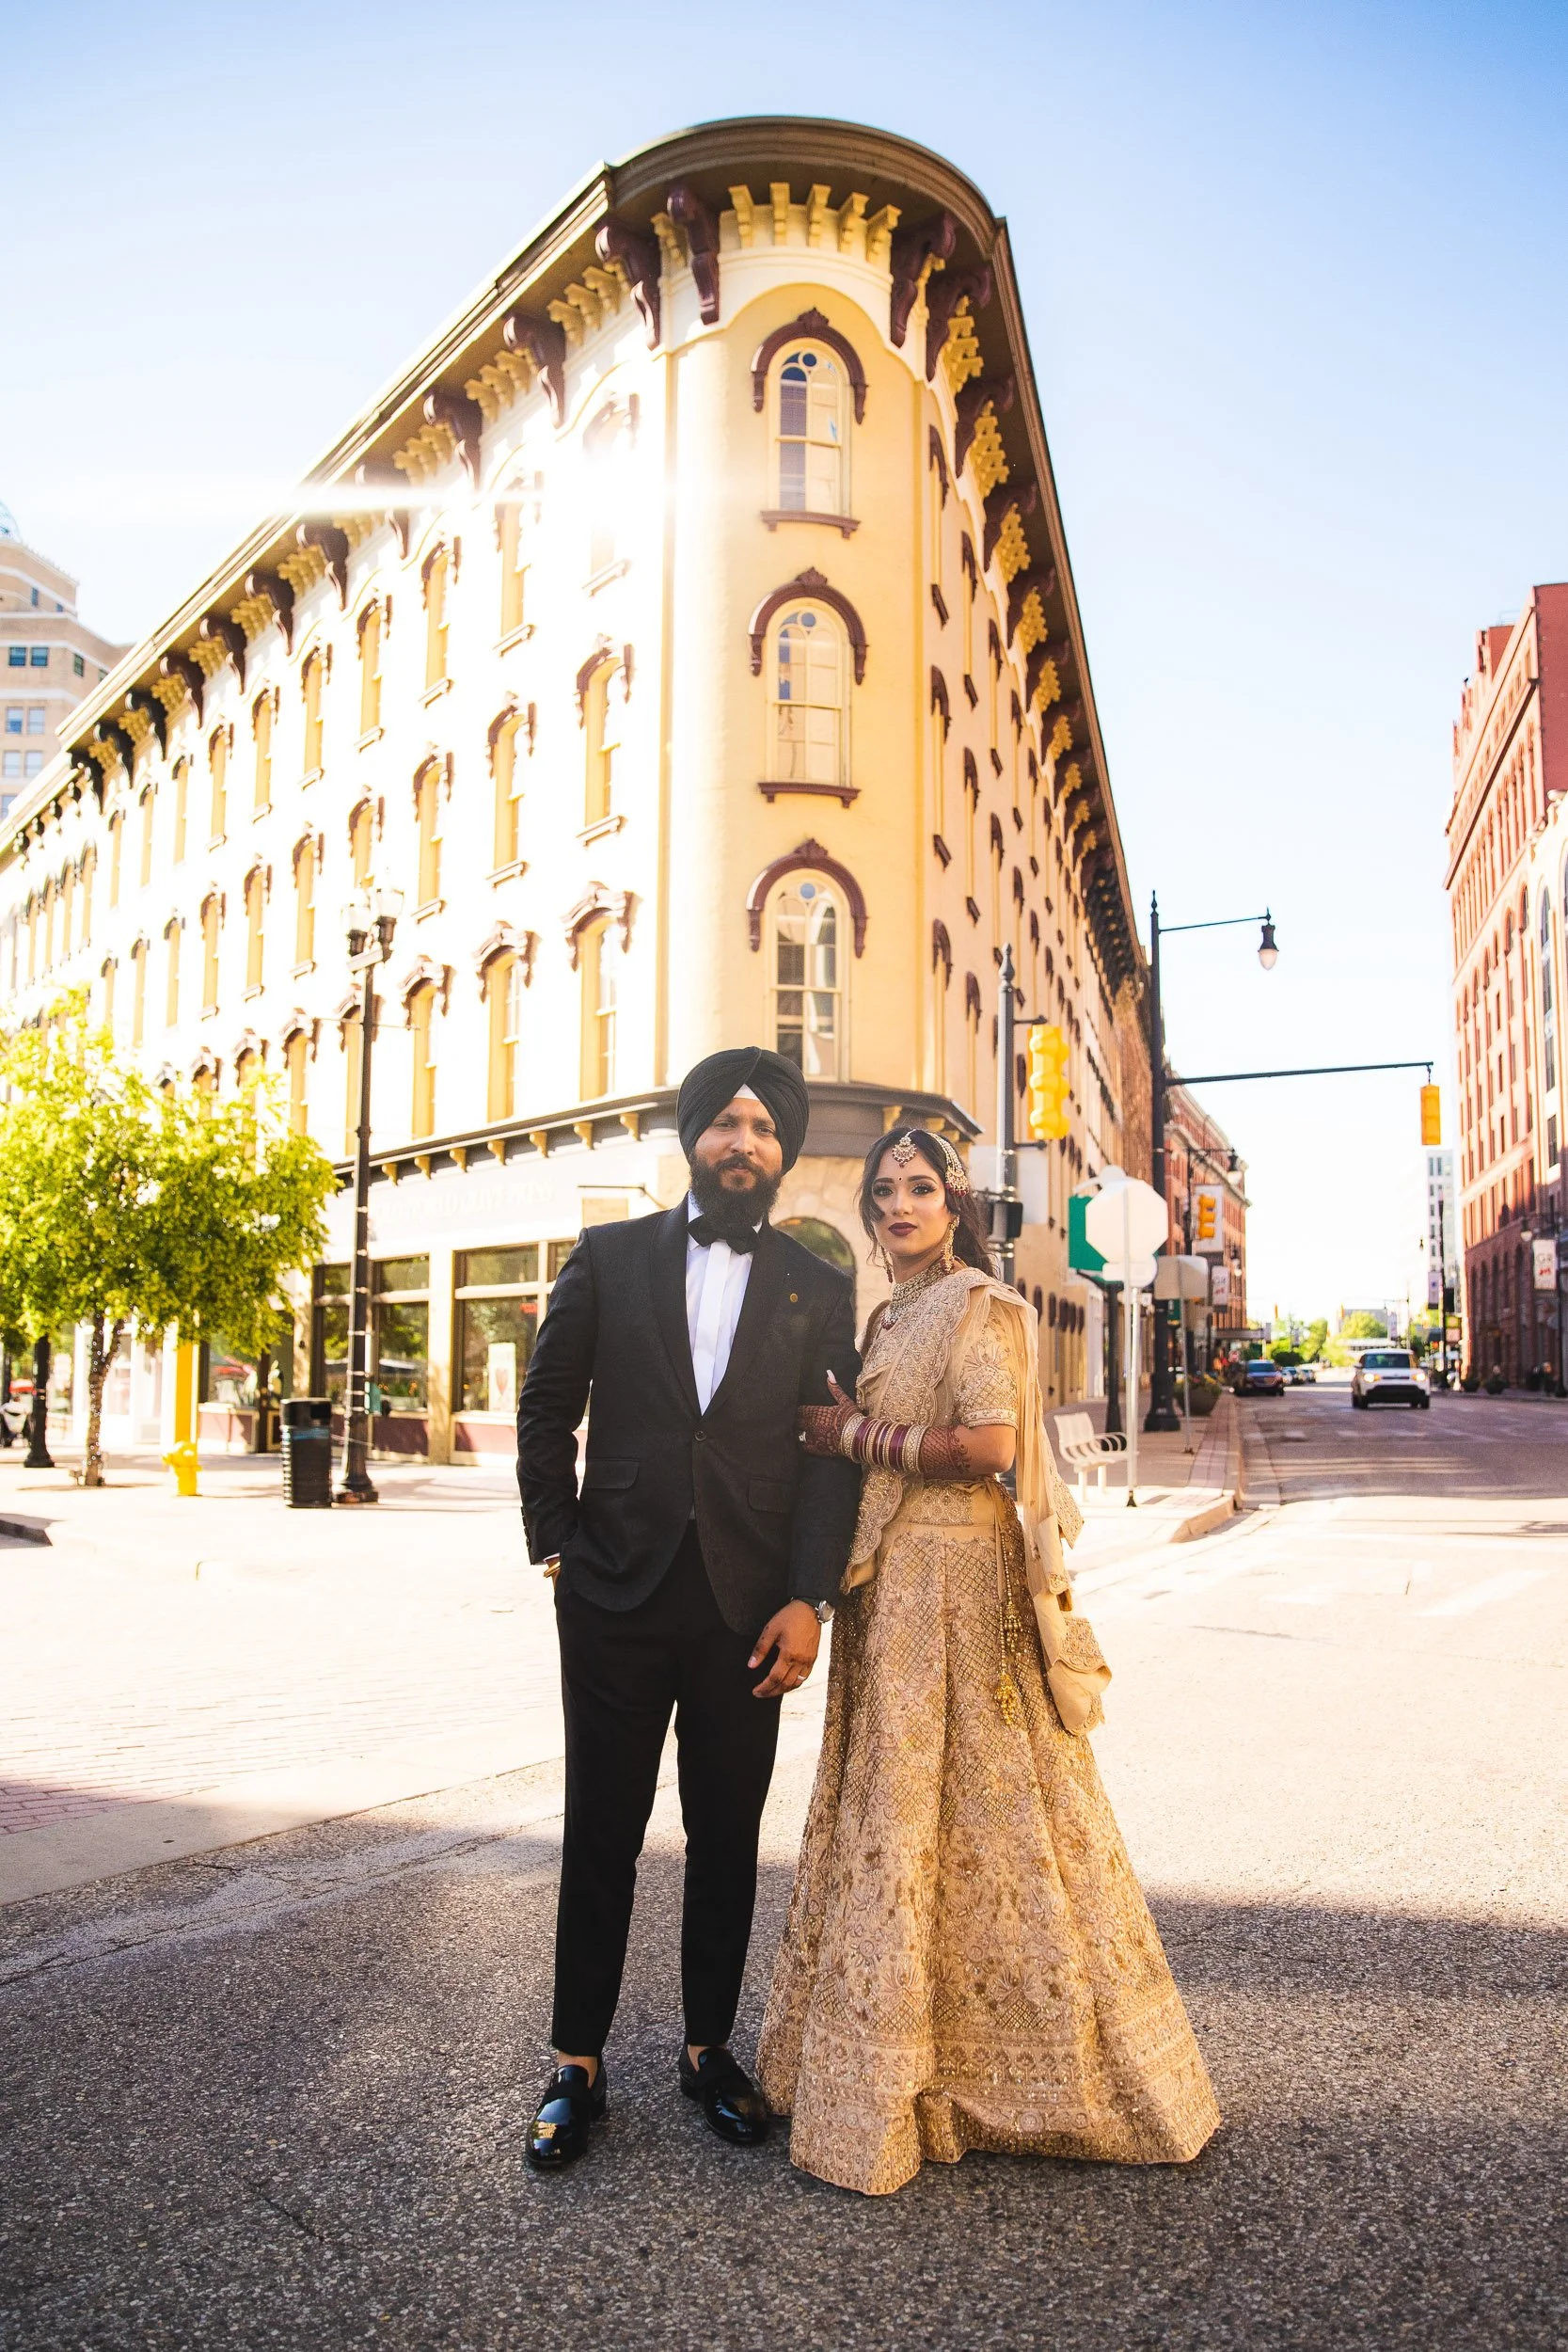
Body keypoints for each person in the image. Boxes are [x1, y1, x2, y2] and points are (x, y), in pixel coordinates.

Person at [758, 1126, 1222, 2196]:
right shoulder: (890, 1311)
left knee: (985, 1802)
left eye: (919, 1187)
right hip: (889, 1589)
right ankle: (902, 2062)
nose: (898, 1205)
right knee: (900, 1807)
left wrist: (848, 1435)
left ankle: (1025, 2073)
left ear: (954, 1203)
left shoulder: (981, 1305)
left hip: (956, 1584)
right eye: (883, 1190)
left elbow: (987, 1448)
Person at [515, 1046, 860, 2172]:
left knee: (725, 1835)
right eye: (727, 1122)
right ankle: (576, 2063)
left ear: (782, 1148)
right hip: (611, 1592)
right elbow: (545, 1405)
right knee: (599, 1832)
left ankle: (708, 2050)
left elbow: (827, 1458)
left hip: (745, 1608)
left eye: (763, 1127)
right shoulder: (608, 1257)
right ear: (693, 1136)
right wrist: (556, 1542)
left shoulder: (816, 1284)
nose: (743, 1142)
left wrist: (808, 1596)